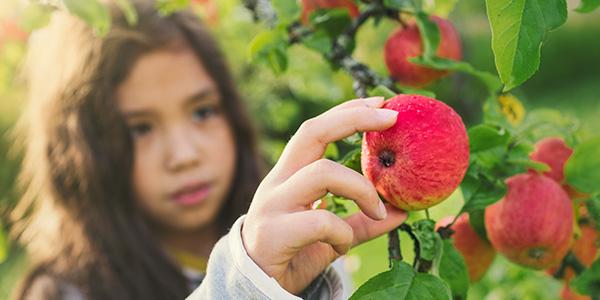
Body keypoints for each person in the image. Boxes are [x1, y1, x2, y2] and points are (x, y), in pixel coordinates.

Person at [11, 1, 407, 299]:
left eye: (202, 111)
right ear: (84, 152)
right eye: (139, 129)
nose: (184, 155)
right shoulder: (66, 291)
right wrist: (244, 284)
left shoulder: (298, 236)